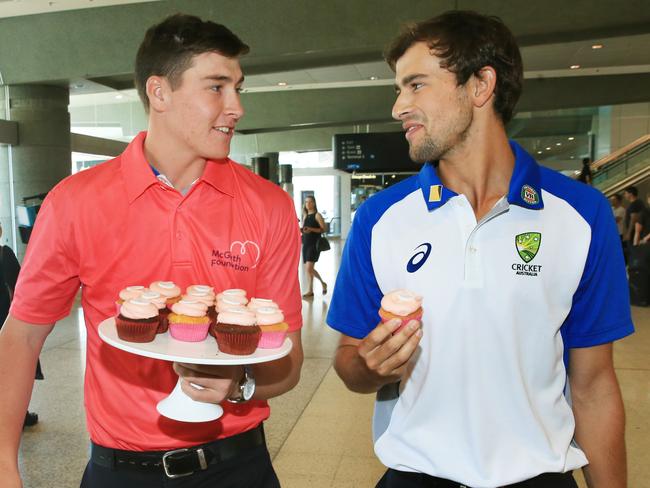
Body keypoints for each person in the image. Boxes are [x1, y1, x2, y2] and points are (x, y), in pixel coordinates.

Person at [327, 11, 632, 488]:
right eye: (398, 89)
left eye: (416, 85)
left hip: (539, 477)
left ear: (480, 85)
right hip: (415, 476)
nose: (398, 106)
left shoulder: (580, 214)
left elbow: (593, 386)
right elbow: (348, 359)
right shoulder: (381, 218)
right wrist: (368, 366)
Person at [0, 14, 303, 488]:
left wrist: (240, 383)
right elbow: (20, 338)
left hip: (240, 467)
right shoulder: (76, 202)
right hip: (121, 471)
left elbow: (289, 362)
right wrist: (4, 464)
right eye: (216, 87)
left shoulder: (268, 205)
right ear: (159, 93)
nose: (237, 107)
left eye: (238, 87)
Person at [0, 223, 41, 428]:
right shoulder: (4, 253)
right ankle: (19, 415)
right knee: (12, 367)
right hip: (4, 319)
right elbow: (20, 285)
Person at [301, 195, 327, 298]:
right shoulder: (305, 215)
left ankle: (322, 283)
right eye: (306, 202)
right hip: (306, 244)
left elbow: (323, 229)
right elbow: (305, 229)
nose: (308, 204)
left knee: (309, 268)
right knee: (309, 269)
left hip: (314, 244)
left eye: (310, 202)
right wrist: (303, 230)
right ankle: (310, 290)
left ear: (314, 203)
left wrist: (311, 229)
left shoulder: (317, 215)